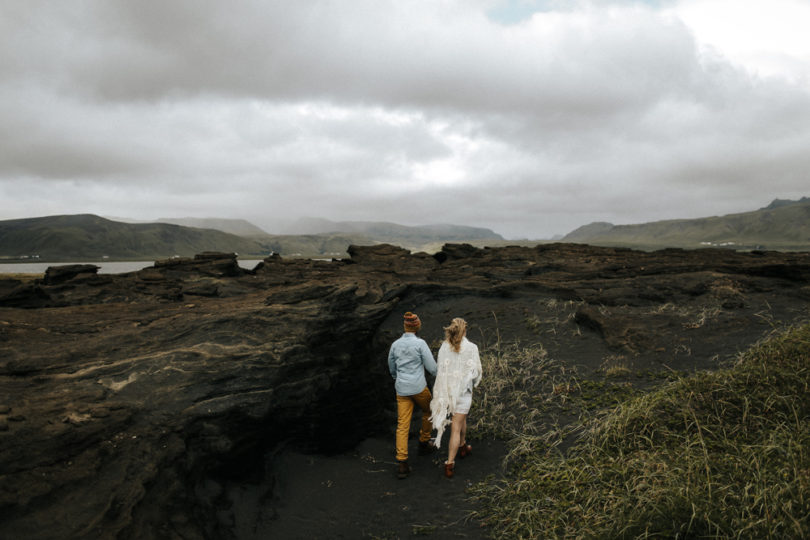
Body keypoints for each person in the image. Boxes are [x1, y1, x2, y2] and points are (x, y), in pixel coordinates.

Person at [388, 311, 438, 479]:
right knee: (429, 410)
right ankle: (424, 442)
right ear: (417, 326)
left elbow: (391, 365)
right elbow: (432, 368)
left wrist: (396, 378)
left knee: (402, 425)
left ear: (405, 327)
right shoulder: (420, 344)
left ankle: (402, 463)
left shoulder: (395, 344)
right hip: (418, 388)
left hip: (402, 390)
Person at [430, 318, 482, 479]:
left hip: (447, 394)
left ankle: (463, 446)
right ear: (464, 331)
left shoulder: (445, 347)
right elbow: (476, 372)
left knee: (460, 420)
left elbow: (439, 369)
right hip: (463, 394)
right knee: (456, 427)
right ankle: (449, 463)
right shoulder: (472, 348)